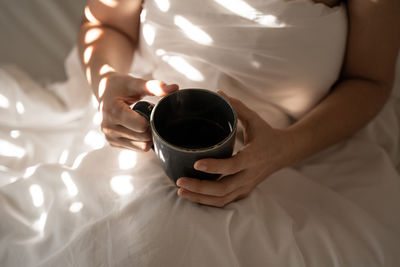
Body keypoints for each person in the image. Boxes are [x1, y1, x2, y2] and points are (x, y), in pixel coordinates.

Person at [78, 0, 399, 208]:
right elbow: (106, 24)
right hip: (138, 153)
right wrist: (106, 85)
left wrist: (287, 148)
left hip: (303, 161)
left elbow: (369, 81)